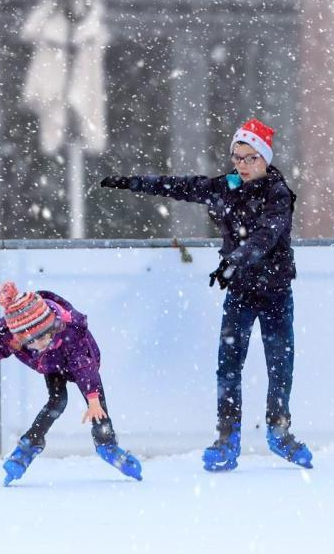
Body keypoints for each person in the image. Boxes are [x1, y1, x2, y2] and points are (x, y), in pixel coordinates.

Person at [100, 118, 313, 472]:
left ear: (265, 159)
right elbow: (180, 186)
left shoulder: (278, 195)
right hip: (241, 294)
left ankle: (279, 433)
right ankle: (227, 439)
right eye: (237, 157)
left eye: (250, 158)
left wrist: (233, 262)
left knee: (280, 366)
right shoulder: (225, 187)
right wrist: (133, 182)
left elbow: (265, 237)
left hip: (275, 293)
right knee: (228, 366)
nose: (242, 166)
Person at [0, 281, 142, 485]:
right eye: (31, 341)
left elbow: (83, 366)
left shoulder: (69, 333)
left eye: (43, 337)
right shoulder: (12, 337)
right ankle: (29, 446)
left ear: (52, 327)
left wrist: (92, 397)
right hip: (52, 365)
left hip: (81, 360)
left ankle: (107, 444)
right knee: (57, 402)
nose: (39, 345)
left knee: (98, 407)